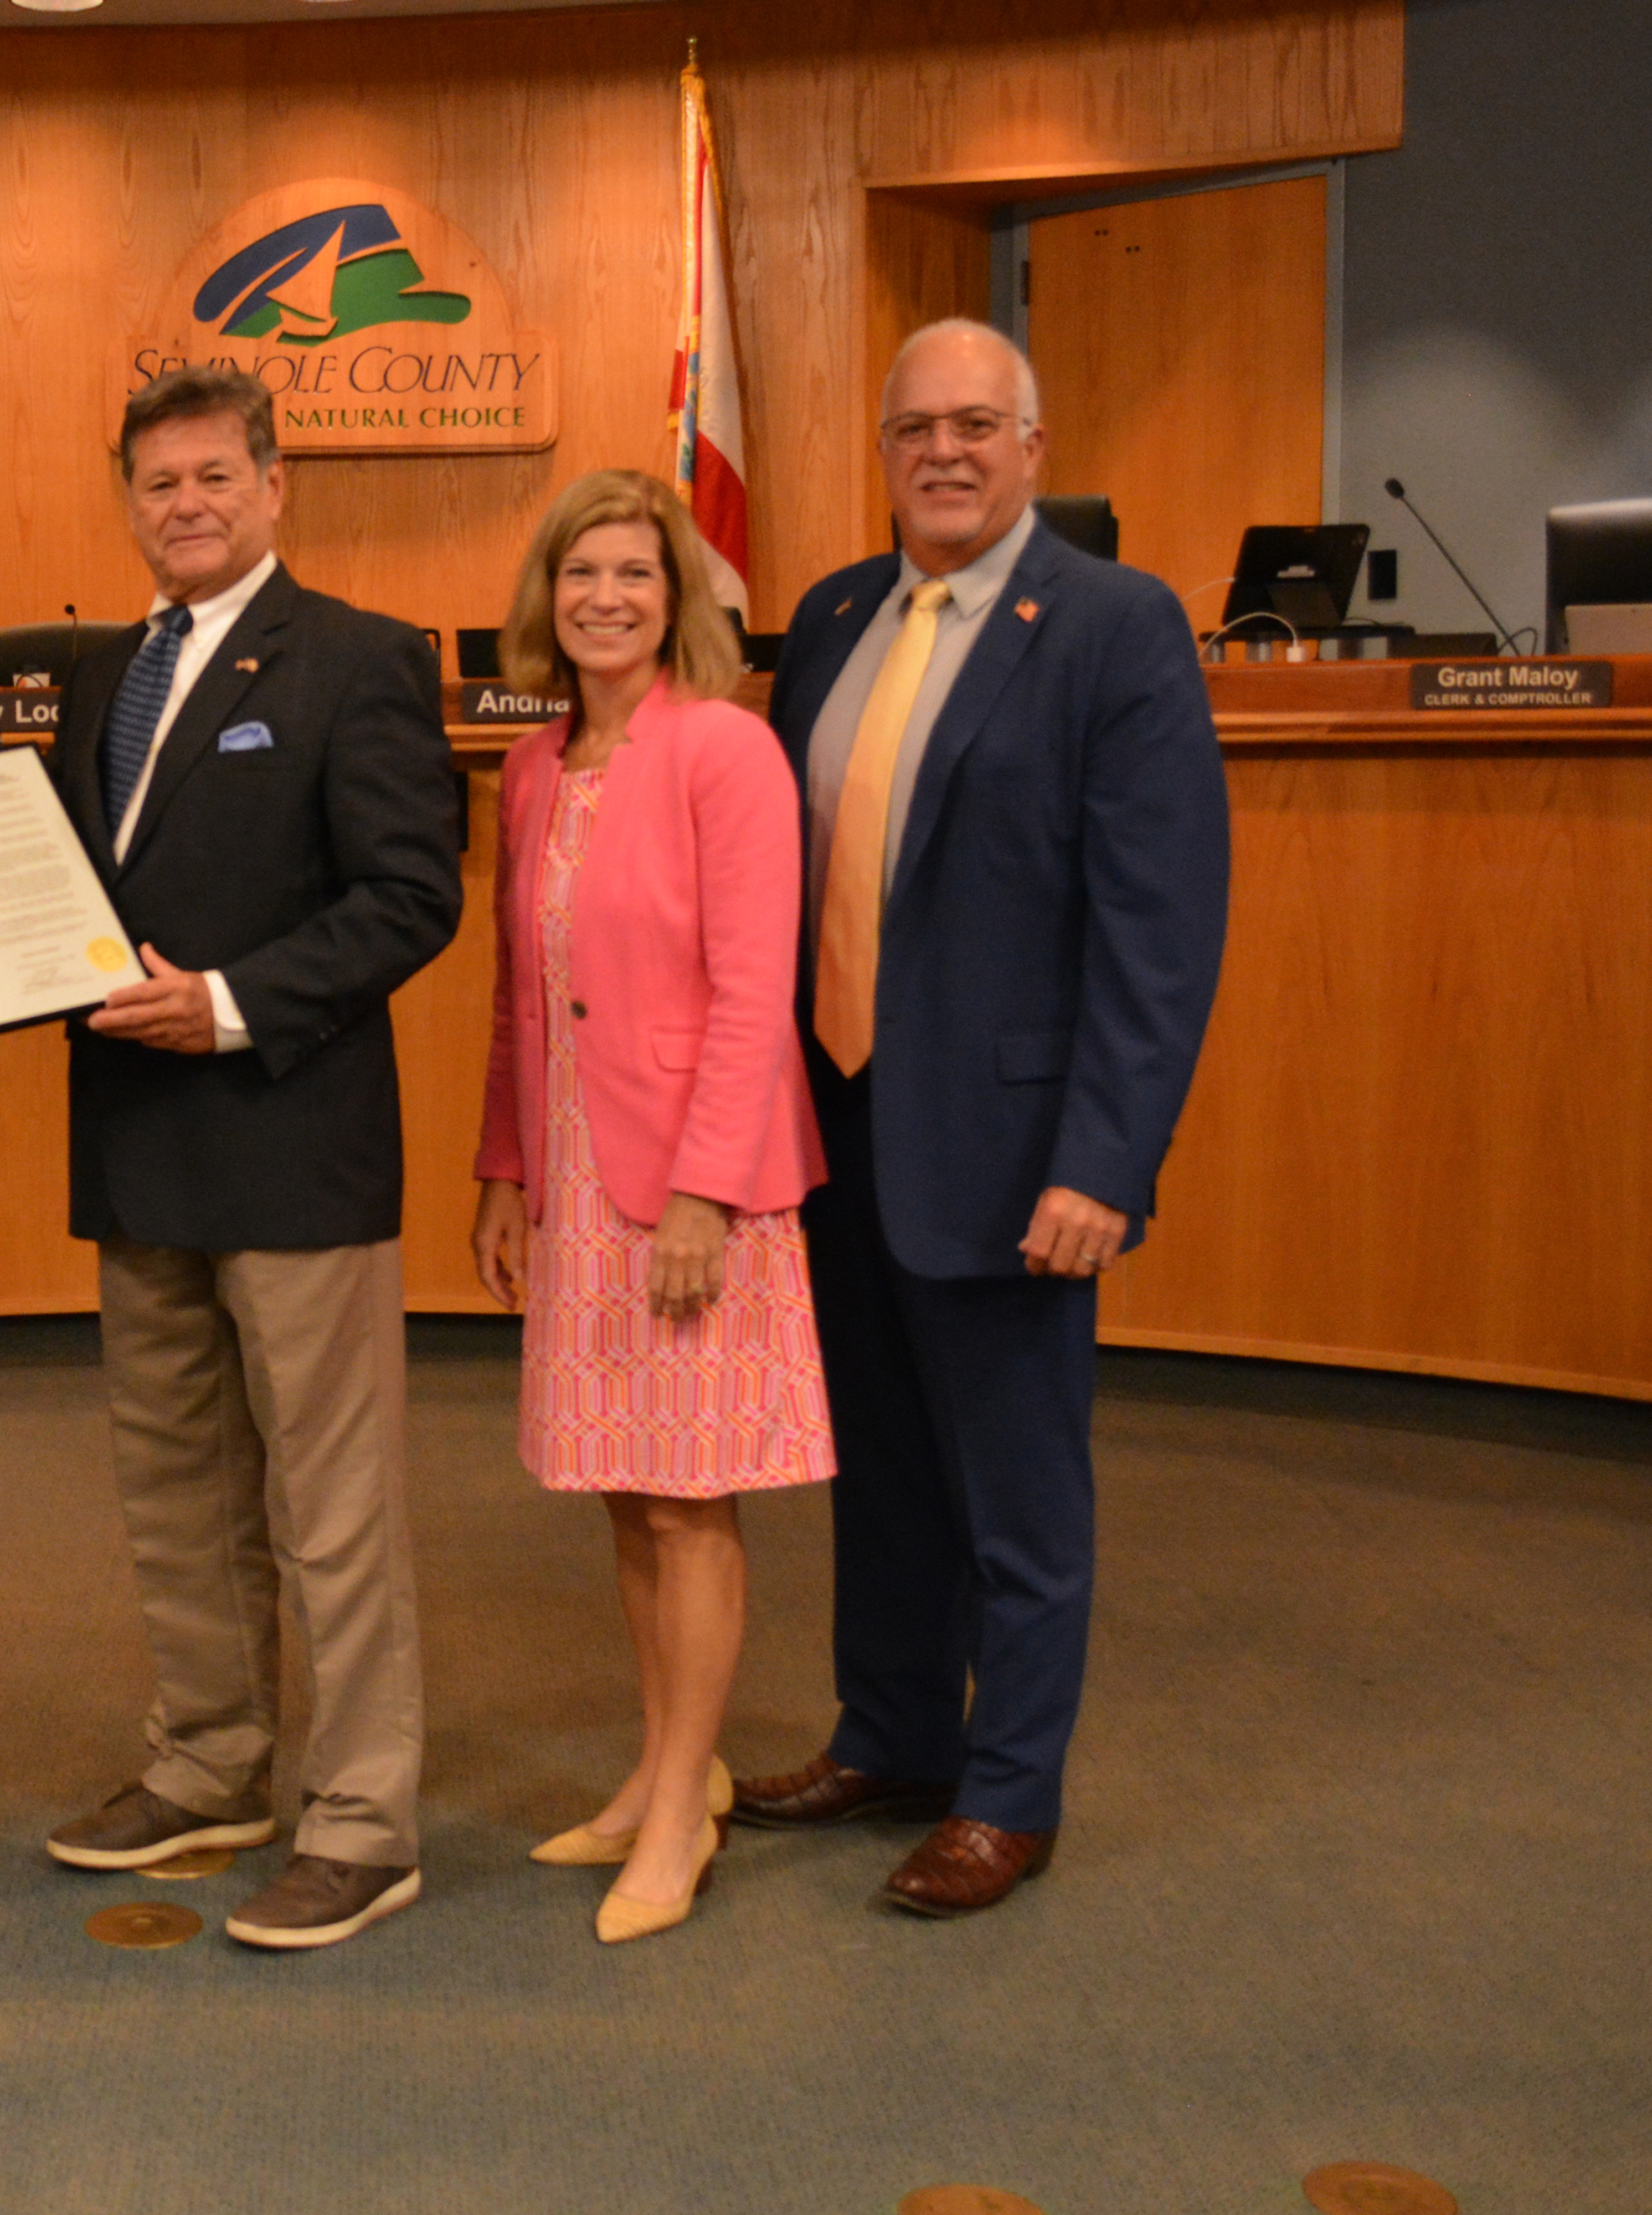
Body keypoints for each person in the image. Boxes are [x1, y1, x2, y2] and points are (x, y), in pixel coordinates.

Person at [733, 318, 1230, 1915]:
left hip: (1017, 1153)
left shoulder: (1113, 624)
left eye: (976, 426)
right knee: (875, 1462)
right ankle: (893, 1734)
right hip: (839, 1130)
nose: (943, 454)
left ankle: (1010, 1788)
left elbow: (1161, 928)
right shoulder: (826, 617)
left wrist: (1106, 1159)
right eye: (914, 430)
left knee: (1019, 1489)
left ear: (1032, 445)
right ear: (883, 452)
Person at [38, 366, 465, 1951]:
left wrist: (225, 1005)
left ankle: (363, 1818)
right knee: (174, 1489)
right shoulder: (110, 671)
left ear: (275, 486)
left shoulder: (363, 662)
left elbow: (412, 897)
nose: (188, 506)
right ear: (132, 501)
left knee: (329, 1505)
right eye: (158, 484)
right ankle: (211, 1763)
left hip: (293, 1146)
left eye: (216, 476)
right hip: (137, 1149)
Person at [469, 471, 835, 1944]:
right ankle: (662, 1767)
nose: (605, 599)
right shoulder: (539, 765)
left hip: (695, 1190)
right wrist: (504, 1172)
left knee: (693, 1501)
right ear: (545, 600)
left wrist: (704, 1193)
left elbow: (758, 994)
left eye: (634, 574)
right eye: (581, 575)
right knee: (629, 1492)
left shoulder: (727, 752)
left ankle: (686, 1805)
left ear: (679, 596)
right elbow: (518, 997)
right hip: (574, 1178)